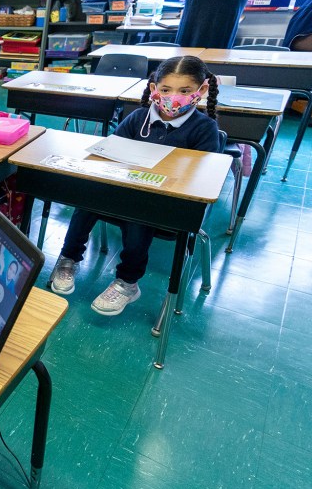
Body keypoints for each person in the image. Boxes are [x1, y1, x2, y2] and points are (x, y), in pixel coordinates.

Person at [48, 56, 222, 316]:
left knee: (140, 213)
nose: (173, 97)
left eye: (184, 91)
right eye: (166, 90)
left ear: (201, 91)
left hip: (166, 204)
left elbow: (202, 180)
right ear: (154, 90)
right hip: (125, 190)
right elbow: (110, 153)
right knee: (87, 198)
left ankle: (128, 282)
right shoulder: (138, 118)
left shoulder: (204, 129)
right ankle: (68, 259)